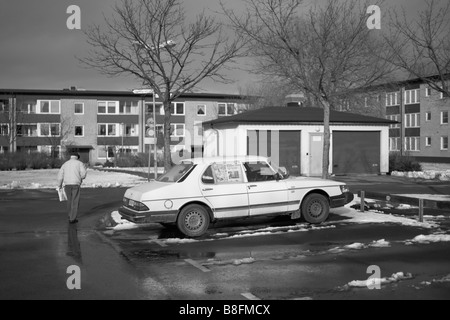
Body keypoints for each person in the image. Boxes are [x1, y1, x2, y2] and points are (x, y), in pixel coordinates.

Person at [57, 152, 87, 223]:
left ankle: (70, 215)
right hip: (76, 184)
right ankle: (72, 218)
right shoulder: (80, 163)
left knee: (69, 201)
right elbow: (83, 175)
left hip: (67, 185)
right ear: (77, 157)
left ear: (71, 156)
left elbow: (60, 175)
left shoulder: (65, 164)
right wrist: (80, 177)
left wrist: (59, 185)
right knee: (75, 201)